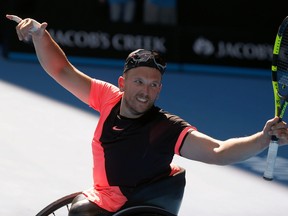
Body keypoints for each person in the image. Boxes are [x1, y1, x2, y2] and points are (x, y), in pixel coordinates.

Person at [6, 14, 288, 216]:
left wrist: (262, 139)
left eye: (154, 85)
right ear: (122, 82)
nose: (145, 92)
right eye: (139, 82)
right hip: (105, 197)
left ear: (159, 89)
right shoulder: (107, 98)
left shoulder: (166, 127)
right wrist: (40, 37)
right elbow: (61, 70)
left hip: (133, 204)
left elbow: (218, 151)